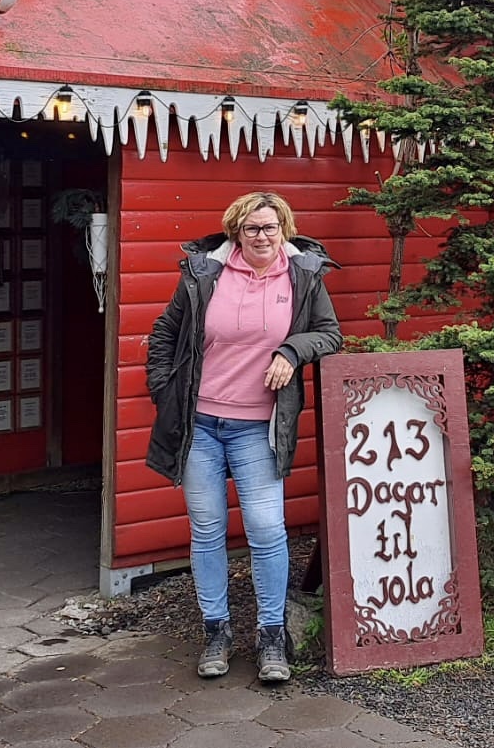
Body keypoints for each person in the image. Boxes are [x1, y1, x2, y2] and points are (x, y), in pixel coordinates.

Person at [145, 191, 342, 683]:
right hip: (201, 426)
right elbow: (165, 333)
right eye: (252, 228)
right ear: (236, 231)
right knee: (208, 529)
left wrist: (293, 350)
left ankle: (271, 634)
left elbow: (330, 334)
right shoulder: (205, 273)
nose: (261, 237)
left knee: (267, 529)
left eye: (270, 228)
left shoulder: (303, 276)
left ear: (285, 231)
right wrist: (163, 391)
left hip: (259, 427)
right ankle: (217, 630)